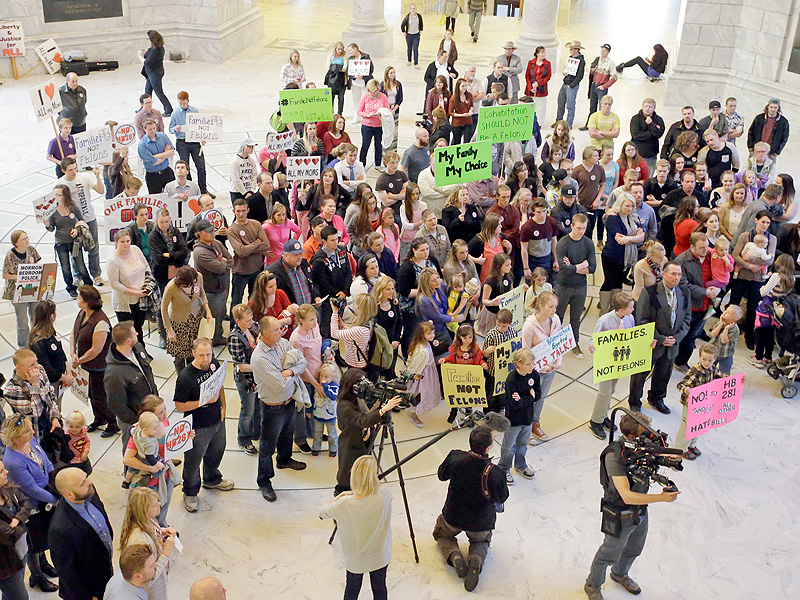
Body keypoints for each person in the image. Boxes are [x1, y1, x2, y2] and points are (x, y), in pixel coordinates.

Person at [584, 413, 680, 600]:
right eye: (645, 434)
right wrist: (661, 497)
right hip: (619, 512)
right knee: (608, 553)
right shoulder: (613, 456)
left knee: (635, 547)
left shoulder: (642, 448)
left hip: (640, 509)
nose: (649, 438)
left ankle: (619, 574)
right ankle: (592, 584)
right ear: (631, 435)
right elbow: (626, 496)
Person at [251, 317, 319, 502]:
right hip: (272, 408)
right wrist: (292, 375)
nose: (281, 331)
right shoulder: (260, 358)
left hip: (289, 402)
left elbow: (302, 362)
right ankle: (264, 481)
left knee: (287, 434)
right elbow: (281, 387)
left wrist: (288, 372)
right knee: (266, 446)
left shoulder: (283, 343)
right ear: (264, 333)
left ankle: (284, 459)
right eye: (276, 329)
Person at [434, 426, 509, 592]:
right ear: (488, 448)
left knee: (441, 534)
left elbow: (441, 475)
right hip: (481, 522)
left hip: (452, 516)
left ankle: (454, 555)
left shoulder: (455, 457)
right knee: (481, 541)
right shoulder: (496, 473)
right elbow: (501, 498)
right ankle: (476, 557)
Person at [173, 338, 235, 513]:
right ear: (193, 354)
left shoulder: (213, 364)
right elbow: (179, 406)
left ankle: (212, 478)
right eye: (201, 355)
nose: (205, 359)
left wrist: (223, 406)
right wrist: (203, 401)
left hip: (217, 421)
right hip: (197, 427)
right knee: (193, 461)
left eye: (208, 354)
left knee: (216, 451)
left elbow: (219, 384)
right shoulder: (185, 377)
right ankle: (190, 492)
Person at [0, 416, 59, 593]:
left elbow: (46, 462)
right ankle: (36, 575)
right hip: (31, 507)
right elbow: (31, 489)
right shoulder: (13, 461)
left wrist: (53, 480)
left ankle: (44, 563)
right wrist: (55, 499)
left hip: (46, 496)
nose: (33, 432)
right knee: (34, 543)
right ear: (15, 437)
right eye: (27, 430)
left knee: (43, 539)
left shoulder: (31, 441)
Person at [320, 455, 392, 600]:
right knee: (380, 589)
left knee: (352, 590)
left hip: (355, 559)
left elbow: (322, 512)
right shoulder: (385, 494)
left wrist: (340, 496)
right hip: (380, 555)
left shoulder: (345, 503)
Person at [628, 262, 691, 413]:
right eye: (674, 274)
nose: (677, 277)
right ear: (663, 273)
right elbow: (642, 320)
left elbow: (687, 317)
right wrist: (661, 338)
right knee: (640, 373)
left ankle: (657, 398)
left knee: (664, 373)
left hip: (672, 343)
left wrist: (677, 337)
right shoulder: (650, 292)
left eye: (679, 274)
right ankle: (635, 401)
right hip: (652, 342)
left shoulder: (684, 292)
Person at [588, 292, 649, 439]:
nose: (633, 310)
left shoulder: (629, 318)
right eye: (631, 307)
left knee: (612, 390)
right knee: (604, 392)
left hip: (619, 360)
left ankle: (603, 415)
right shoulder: (604, 320)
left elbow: (633, 336)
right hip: (606, 361)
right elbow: (594, 339)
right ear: (621, 310)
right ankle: (595, 420)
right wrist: (592, 347)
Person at [49, 468, 114, 600]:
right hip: (90, 587)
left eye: (86, 478)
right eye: (82, 483)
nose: (89, 483)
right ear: (69, 495)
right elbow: (67, 572)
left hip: (104, 570)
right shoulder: (60, 528)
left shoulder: (89, 493)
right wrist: (86, 597)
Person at [71, 285, 117, 435]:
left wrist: (80, 360)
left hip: (99, 367)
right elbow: (74, 332)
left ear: (86, 302)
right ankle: (99, 419)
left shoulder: (101, 322)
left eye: (79, 298)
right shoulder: (82, 313)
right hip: (86, 365)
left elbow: (96, 350)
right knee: (91, 394)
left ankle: (112, 423)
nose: (77, 300)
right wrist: (72, 352)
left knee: (101, 396)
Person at [105, 321, 157, 450]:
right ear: (128, 340)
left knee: (153, 442)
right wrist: (136, 420)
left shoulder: (138, 348)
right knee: (133, 449)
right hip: (134, 422)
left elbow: (147, 373)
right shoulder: (114, 373)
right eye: (134, 333)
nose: (138, 334)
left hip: (150, 412)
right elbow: (116, 404)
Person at [53, 161, 103, 287]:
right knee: (75, 250)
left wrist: (97, 177)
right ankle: (77, 275)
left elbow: (101, 191)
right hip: (70, 222)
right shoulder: (59, 184)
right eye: (70, 170)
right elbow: (55, 204)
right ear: (63, 170)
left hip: (88, 217)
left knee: (93, 247)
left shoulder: (84, 177)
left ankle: (96, 274)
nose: (74, 172)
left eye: (75, 168)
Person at [732, 211, 777, 349]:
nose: (765, 225)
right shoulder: (745, 236)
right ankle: (725, 328)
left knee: (753, 307)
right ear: (756, 220)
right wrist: (749, 265)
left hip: (758, 279)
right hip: (742, 275)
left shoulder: (772, 239)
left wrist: (750, 258)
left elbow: (770, 260)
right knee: (734, 302)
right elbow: (735, 254)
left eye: (768, 223)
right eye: (763, 222)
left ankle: (749, 335)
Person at [554, 214, 595, 357]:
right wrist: (582, 265)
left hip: (580, 287)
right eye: (578, 228)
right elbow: (564, 269)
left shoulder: (588, 243)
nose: (581, 231)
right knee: (557, 316)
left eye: (584, 228)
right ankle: (555, 344)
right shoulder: (563, 243)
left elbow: (593, 268)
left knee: (575, 317)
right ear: (571, 226)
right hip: (563, 286)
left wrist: (573, 266)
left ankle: (574, 342)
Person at [498, 348, 539, 482]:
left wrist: (524, 399)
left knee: (523, 444)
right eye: (528, 364)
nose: (531, 366)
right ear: (518, 364)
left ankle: (520, 465)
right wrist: (529, 397)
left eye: (532, 363)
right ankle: (504, 468)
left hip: (528, 418)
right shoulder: (512, 379)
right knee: (509, 446)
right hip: (514, 420)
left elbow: (537, 395)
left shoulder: (534, 375)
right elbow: (514, 404)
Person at [599, 196, 645, 313]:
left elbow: (641, 237)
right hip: (612, 256)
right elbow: (619, 239)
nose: (629, 209)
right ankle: (604, 310)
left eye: (631, 206)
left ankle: (615, 308)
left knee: (619, 283)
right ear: (620, 205)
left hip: (627, 257)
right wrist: (635, 238)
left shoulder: (633, 218)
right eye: (626, 206)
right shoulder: (613, 218)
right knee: (609, 282)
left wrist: (629, 239)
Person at [161, 266, 211, 374]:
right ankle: (181, 376)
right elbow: (163, 309)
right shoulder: (171, 287)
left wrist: (207, 310)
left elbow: (202, 294)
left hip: (194, 320)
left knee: (192, 352)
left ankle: (192, 374)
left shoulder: (198, 277)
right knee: (179, 356)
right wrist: (169, 330)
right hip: (178, 323)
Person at [192, 219, 233, 346]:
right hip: (210, 291)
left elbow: (230, 260)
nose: (212, 233)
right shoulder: (200, 253)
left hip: (222, 287)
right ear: (199, 233)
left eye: (212, 230)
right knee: (212, 317)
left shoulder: (216, 243)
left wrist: (223, 261)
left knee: (220, 313)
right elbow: (220, 267)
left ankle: (218, 335)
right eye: (208, 231)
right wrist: (223, 262)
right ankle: (211, 339)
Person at [0, 456, 35, 600]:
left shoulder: (5, 487)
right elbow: (10, 534)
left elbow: (26, 501)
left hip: (20, 550)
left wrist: (17, 519)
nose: (6, 472)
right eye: (1, 471)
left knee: (10, 594)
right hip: (6, 564)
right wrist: (23, 522)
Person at [108, 229, 152, 344]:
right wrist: (134, 292)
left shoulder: (135, 250)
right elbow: (114, 284)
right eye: (122, 242)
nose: (126, 244)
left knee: (138, 327)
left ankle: (141, 351)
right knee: (128, 332)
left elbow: (146, 265)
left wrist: (147, 283)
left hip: (140, 298)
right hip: (125, 303)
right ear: (116, 242)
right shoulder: (113, 261)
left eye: (128, 241)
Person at [27, 300, 73, 401]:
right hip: (49, 383)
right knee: (53, 408)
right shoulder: (37, 341)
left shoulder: (50, 331)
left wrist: (68, 372)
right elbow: (46, 368)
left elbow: (60, 351)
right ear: (51, 316)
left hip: (60, 378)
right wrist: (65, 378)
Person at [3, 230, 40, 348]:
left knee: (36, 317)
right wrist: (21, 277)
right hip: (17, 291)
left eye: (27, 237)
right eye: (23, 239)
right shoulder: (10, 255)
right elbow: (5, 275)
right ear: (16, 243)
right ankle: (23, 346)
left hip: (32, 288)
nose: (27, 240)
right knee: (23, 321)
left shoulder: (31, 250)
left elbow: (37, 266)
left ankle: (36, 342)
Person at [168, 91, 208, 194]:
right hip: (182, 142)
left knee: (201, 166)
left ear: (188, 101)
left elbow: (200, 126)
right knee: (186, 166)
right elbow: (170, 129)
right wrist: (175, 129)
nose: (182, 105)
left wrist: (202, 137)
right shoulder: (175, 113)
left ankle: (203, 190)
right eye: (180, 103)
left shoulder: (195, 111)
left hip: (194, 142)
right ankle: (190, 190)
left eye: (184, 103)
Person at [580, 43, 617, 131]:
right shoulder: (597, 60)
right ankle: (589, 124)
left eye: (604, 50)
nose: (602, 52)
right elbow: (592, 72)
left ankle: (600, 126)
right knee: (592, 107)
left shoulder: (610, 63)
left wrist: (604, 86)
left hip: (601, 87)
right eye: (602, 50)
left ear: (608, 52)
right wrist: (592, 71)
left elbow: (614, 78)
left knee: (602, 108)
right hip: (594, 85)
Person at [137, 30, 172, 115]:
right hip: (152, 73)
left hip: (154, 73)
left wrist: (140, 56)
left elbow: (146, 62)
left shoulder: (156, 50)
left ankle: (169, 110)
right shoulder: (157, 48)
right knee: (147, 92)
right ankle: (144, 109)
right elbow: (150, 57)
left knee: (159, 92)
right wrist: (145, 53)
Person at [747, 98, 790, 163]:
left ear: (778, 108)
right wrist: (751, 148)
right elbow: (751, 132)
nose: (773, 110)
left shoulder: (783, 122)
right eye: (771, 107)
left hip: (771, 152)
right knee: (750, 169)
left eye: (775, 107)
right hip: (756, 149)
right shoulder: (759, 118)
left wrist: (776, 153)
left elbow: (784, 138)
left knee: (769, 171)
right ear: (768, 107)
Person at [629, 98, 665, 174]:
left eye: (650, 107)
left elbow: (658, 134)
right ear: (642, 107)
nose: (647, 109)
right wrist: (651, 133)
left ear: (654, 108)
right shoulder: (635, 119)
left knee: (649, 175)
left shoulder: (658, 120)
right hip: (637, 153)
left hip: (651, 154)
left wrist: (651, 124)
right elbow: (636, 135)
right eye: (646, 106)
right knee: (634, 175)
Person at [555, 41, 585, 128]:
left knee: (570, 106)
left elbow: (580, 75)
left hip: (572, 85)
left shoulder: (581, 61)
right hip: (565, 82)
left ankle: (568, 123)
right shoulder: (570, 58)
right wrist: (565, 73)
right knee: (561, 102)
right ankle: (558, 121)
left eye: (572, 48)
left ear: (576, 49)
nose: (570, 50)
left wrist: (572, 85)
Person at [524, 46, 551, 123]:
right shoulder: (531, 62)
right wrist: (530, 87)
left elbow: (548, 76)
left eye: (544, 52)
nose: (544, 54)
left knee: (541, 107)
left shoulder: (547, 63)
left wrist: (538, 83)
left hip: (541, 89)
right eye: (542, 52)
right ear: (537, 53)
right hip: (531, 88)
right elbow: (527, 75)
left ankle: (539, 123)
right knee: (530, 105)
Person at [230, 139, 258, 204]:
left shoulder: (252, 161)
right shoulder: (235, 161)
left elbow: (254, 176)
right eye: (250, 147)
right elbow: (236, 179)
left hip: (249, 191)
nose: (252, 149)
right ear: (243, 147)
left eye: (252, 147)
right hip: (237, 192)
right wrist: (244, 192)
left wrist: (251, 191)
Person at [324, 42, 348, 115]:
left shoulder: (345, 56)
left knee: (341, 97)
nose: (340, 51)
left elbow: (345, 68)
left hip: (341, 79)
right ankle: (330, 112)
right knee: (331, 97)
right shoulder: (331, 56)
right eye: (338, 49)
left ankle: (340, 112)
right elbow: (328, 67)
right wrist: (338, 68)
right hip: (332, 78)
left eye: (341, 49)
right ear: (335, 49)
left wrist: (335, 67)